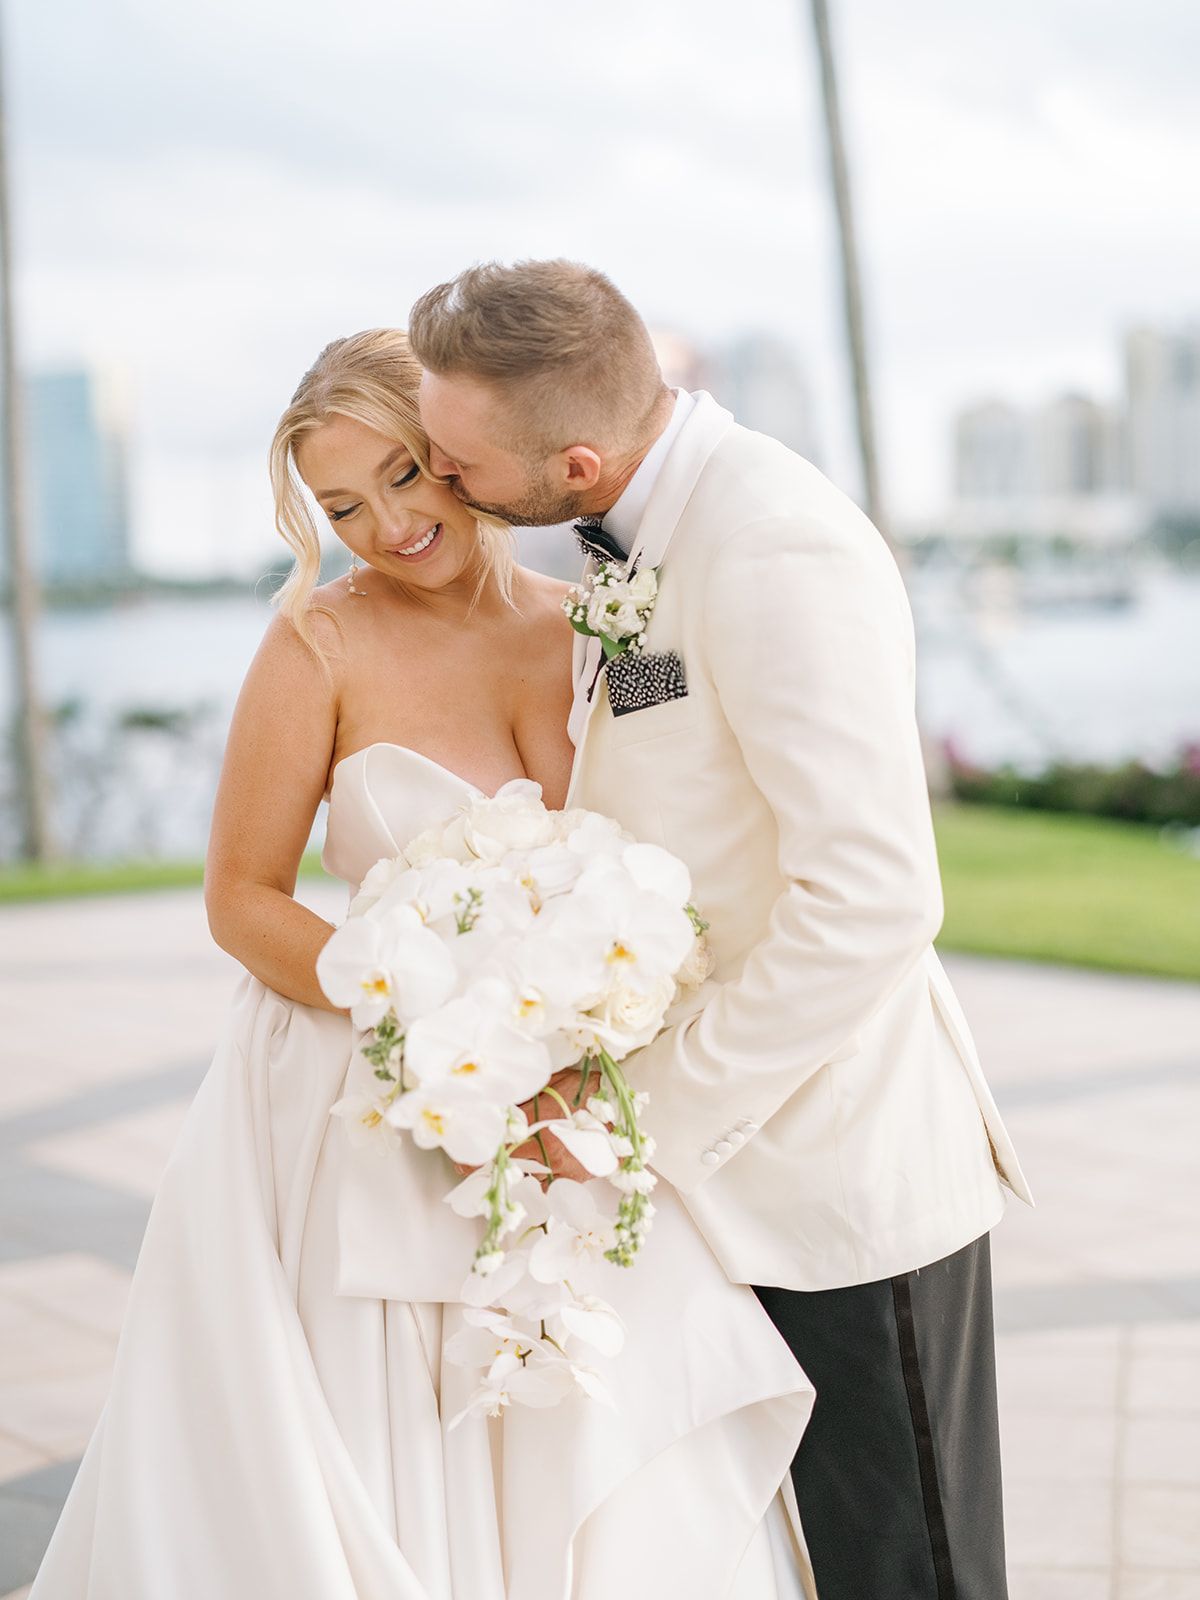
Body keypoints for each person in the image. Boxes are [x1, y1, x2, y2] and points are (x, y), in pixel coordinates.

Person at [27, 328, 814, 1600]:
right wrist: (440, 1028)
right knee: (386, 1433)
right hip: (364, 1095)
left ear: (458, 455)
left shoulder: (596, 626)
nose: (384, 524)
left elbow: (682, 849)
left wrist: (565, 1044)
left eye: (402, 475)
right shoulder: (317, 646)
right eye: (340, 504)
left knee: (595, 1415)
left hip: (571, 1100)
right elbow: (242, 899)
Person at [409, 259, 1035, 1600]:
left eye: (456, 468)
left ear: (576, 461)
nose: (440, 485)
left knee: (908, 1571)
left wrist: (647, 1118)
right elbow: (672, 779)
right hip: (726, 1184)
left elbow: (871, 898)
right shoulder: (635, 537)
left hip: (840, 1169)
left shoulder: (775, 543)